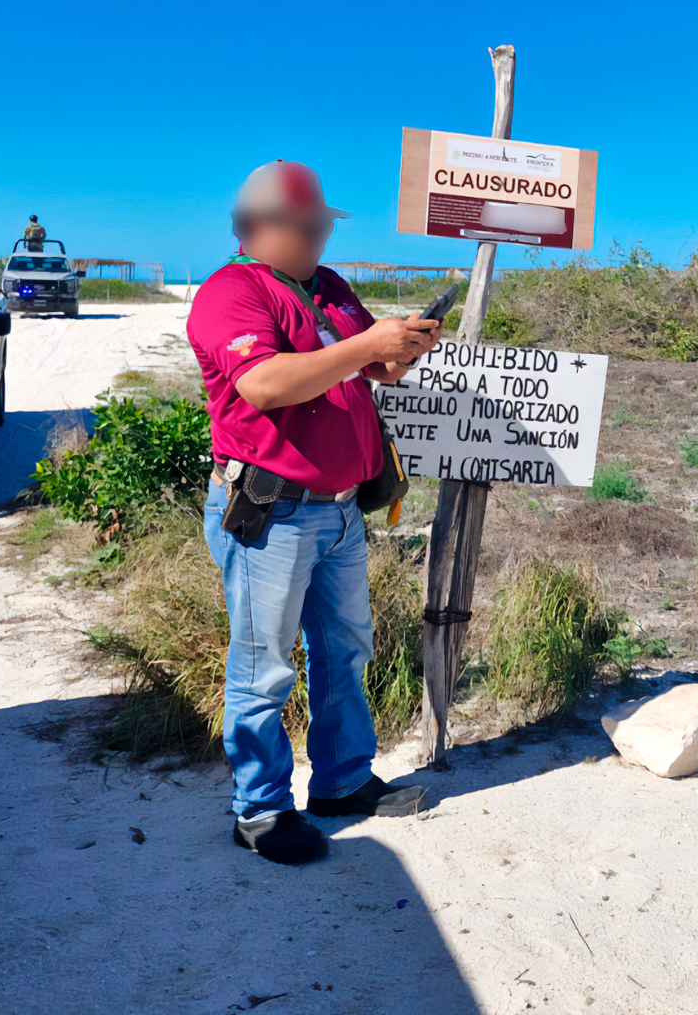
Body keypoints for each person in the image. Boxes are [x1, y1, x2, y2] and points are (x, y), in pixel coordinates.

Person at [187, 159, 444, 865]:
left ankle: (341, 782)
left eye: (322, 226)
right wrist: (368, 345)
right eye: (306, 227)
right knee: (263, 665)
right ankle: (261, 810)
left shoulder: (326, 287)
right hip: (271, 513)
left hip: (338, 512)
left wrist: (399, 350)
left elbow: (372, 368)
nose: (319, 238)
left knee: (344, 651)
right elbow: (266, 384)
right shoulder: (229, 292)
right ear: (257, 227)